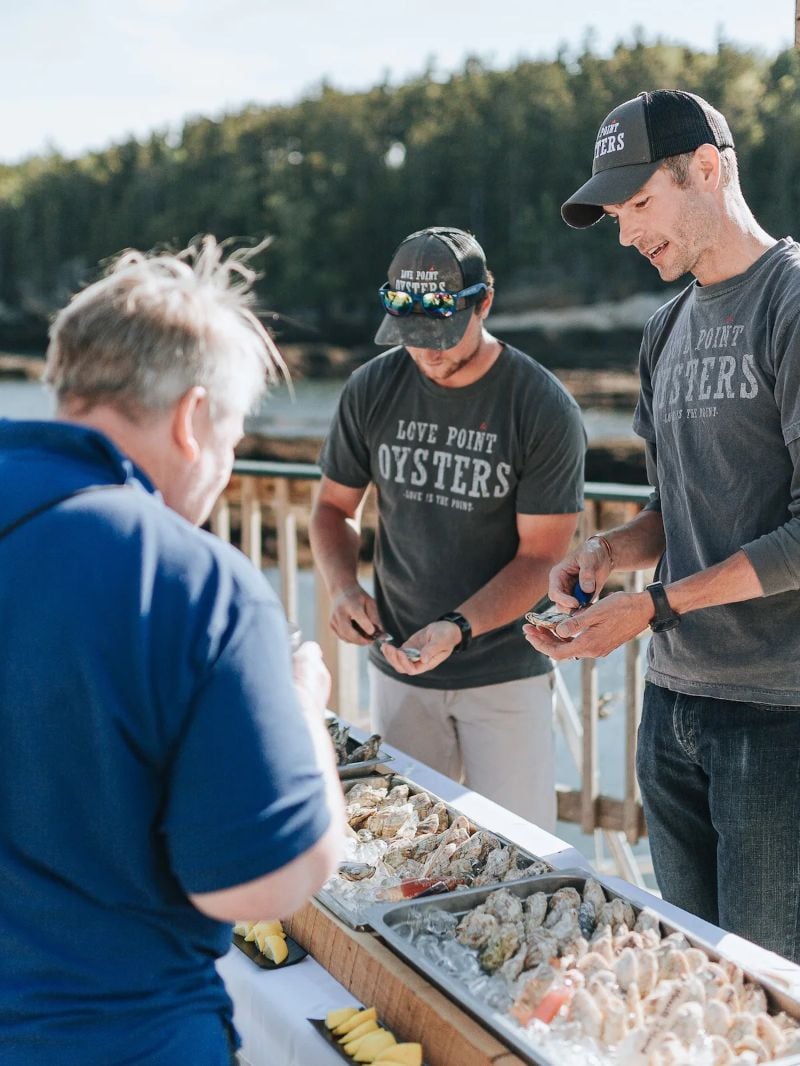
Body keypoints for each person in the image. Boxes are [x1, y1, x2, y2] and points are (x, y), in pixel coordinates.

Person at [0, 237, 345, 1065]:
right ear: (194, 420)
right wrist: (302, 717)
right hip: (118, 1036)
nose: (226, 465)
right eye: (230, 436)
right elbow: (263, 880)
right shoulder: (195, 584)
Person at [525, 89, 800, 962]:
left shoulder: (790, 303)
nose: (626, 232)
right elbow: (668, 507)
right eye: (614, 213)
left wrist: (652, 610)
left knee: (764, 994)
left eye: (639, 203)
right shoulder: (665, 327)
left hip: (776, 716)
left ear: (709, 170)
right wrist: (608, 554)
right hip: (672, 705)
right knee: (687, 970)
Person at [310, 226, 585, 828]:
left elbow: (541, 558)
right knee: (402, 849)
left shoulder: (540, 405)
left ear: (483, 302)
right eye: (412, 337)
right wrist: (343, 587)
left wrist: (458, 627)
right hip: (400, 667)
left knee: (517, 858)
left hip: (505, 673)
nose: (428, 352)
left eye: (443, 333)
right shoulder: (372, 388)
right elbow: (332, 508)